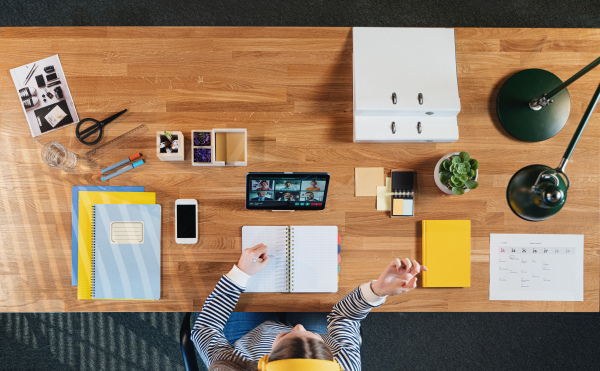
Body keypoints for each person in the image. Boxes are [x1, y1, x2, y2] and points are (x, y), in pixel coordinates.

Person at [192, 243, 427, 371]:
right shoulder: (344, 364)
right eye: (312, 335)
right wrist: (377, 291)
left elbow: (204, 329)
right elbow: (345, 319)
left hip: (248, 338)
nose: (298, 325)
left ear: (264, 364)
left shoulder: (235, 366)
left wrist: (239, 274)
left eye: (287, 333)